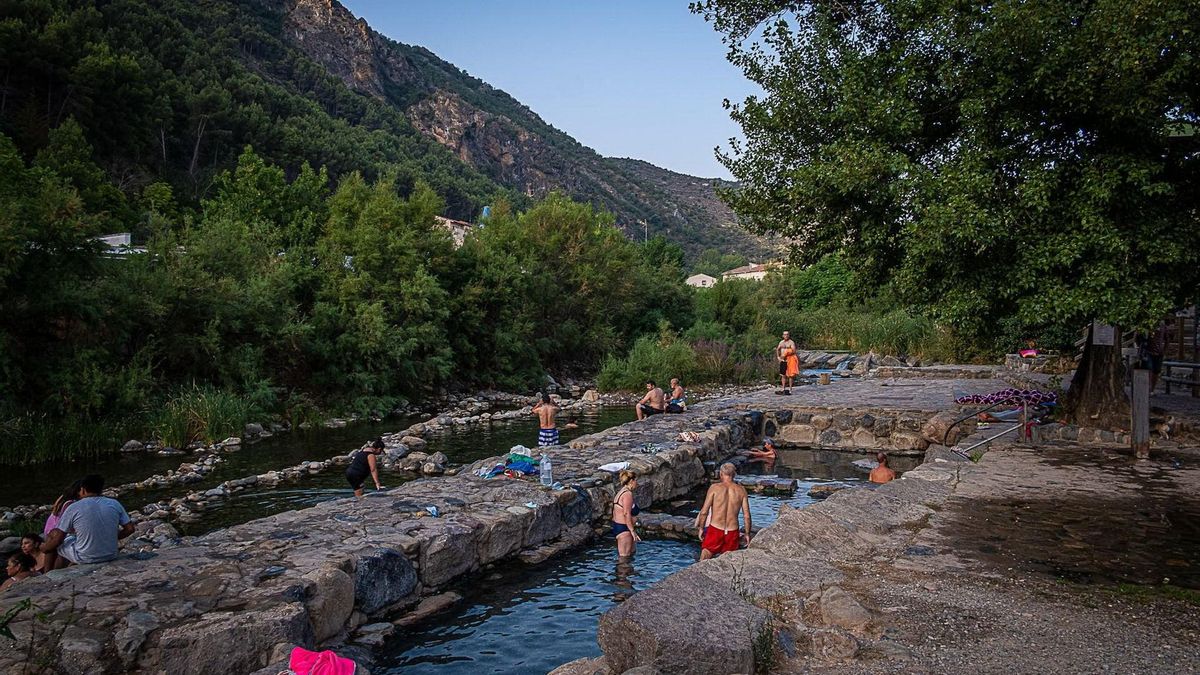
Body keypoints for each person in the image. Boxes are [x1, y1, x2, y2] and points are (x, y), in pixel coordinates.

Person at [40, 475, 133, 570]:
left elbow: (58, 539)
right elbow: (130, 529)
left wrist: (45, 548)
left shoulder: (74, 507)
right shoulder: (114, 503)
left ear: (83, 489)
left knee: (53, 533)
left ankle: (47, 573)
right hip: (111, 554)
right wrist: (110, 537)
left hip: (85, 557)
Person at [695, 463, 752, 559]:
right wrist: (747, 533)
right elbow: (747, 516)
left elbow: (704, 512)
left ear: (721, 474)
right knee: (728, 562)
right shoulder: (741, 490)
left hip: (715, 529)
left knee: (705, 556)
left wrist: (701, 528)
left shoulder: (714, 488)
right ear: (734, 474)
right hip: (732, 531)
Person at [612, 470, 641, 560]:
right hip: (624, 529)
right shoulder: (627, 494)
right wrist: (632, 531)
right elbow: (626, 513)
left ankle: (631, 574)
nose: (637, 483)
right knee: (624, 559)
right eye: (636, 480)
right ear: (631, 481)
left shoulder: (621, 492)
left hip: (621, 527)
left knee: (630, 555)